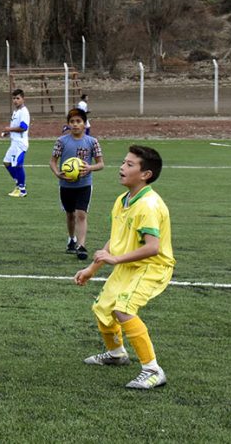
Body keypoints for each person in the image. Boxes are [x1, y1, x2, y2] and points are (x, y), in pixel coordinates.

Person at [74, 145, 173, 390]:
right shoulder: (122, 200)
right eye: (123, 162)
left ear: (145, 174)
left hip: (151, 266)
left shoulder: (148, 205)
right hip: (129, 265)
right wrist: (91, 269)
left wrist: (116, 260)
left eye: (130, 164)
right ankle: (116, 354)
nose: (121, 167)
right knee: (102, 308)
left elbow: (153, 247)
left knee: (123, 309)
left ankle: (152, 370)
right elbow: (115, 240)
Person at [51, 108, 105, 260]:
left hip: (84, 185)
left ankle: (81, 246)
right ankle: (71, 239)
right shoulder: (61, 141)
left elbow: (101, 164)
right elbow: (52, 161)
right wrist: (57, 173)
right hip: (66, 185)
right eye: (72, 122)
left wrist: (89, 168)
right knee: (70, 215)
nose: (75, 124)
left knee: (81, 215)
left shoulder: (92, 142)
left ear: (85, 124)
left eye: (78, 121)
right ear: (68, 124)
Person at [2, 88, 30, 197]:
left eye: (18, 98)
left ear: (23, 99)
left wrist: (9, 129)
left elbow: (23, 127)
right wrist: (8, 133)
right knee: (7, 162)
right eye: (14, 98)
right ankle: (18, 183)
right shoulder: (16, 112)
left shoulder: (24, 112)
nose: (15, 100)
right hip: (14, 142)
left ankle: (22, 190)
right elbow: (15, 127)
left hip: (20, 143)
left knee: (18, 165)